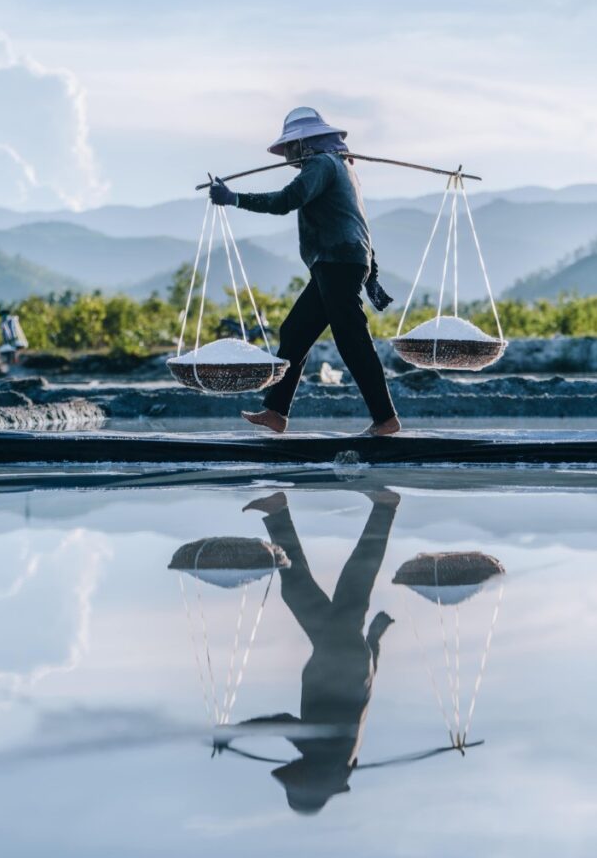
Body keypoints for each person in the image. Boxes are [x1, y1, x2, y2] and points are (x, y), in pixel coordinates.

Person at [210, 107, 400, 436]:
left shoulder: (322, 164)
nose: (288, 154)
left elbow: (286, 200)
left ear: (304, 144)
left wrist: (234, 198)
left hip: (338, 261)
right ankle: (276, 412)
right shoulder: (339, 165)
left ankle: (386, 419)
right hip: (337, 261)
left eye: (290, 147)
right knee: (295, 331)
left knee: (352, 339)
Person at [236, 489, 399, 814]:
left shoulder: (338, 756)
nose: (292, 771)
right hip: (341, 659)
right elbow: (282, 723)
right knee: (353, 581)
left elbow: (365, 693)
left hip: (347, 660)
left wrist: (374, 640)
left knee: (304, 591)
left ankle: (278, 513)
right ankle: (384, 507)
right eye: (296, 779)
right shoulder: (325, 753)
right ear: (311, 780)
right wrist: (234, 733)